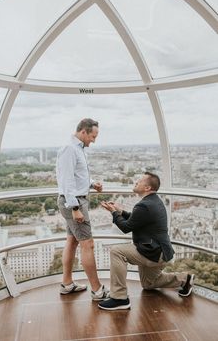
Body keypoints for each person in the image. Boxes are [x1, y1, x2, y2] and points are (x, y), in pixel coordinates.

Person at [98, 172, 195, 310]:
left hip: (153, 252)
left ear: (147, 188)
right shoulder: (153, 201)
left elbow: (126, 227)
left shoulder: (144, 205)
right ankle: (184, 280)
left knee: (116, 252)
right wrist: (120, 211)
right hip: (161, 251)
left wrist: (114, 213)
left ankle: (119, 298)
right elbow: (136, 220)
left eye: (140, 180)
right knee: (148, 284)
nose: (136, 182)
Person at [56, 118, 109, 300]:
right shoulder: (70, 149)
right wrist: (75, 208)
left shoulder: (77, 149)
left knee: (72, 241)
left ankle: (67, 283)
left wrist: (93, 184)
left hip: (74, 200)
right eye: (93, 136)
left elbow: (77, 176)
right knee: (88, 244)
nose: (94, 140)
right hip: (74, 202)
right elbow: (67, 181)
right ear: (84, 132)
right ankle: (97, 290)